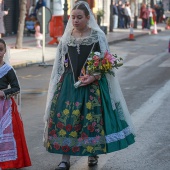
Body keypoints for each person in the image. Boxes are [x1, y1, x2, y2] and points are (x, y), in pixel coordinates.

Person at [43, 1, 135, 170]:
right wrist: (59, 82)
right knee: (67, 119)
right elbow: (60, 64)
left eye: (79, 17)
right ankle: (65, 159)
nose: (75, 20)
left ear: (88, 18)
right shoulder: (67, 37)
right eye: (73, 17)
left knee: (91, 120)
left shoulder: (97, 36)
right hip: (69, 84)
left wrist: (93, 77)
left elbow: (105, 62)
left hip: (91, 86)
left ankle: (92, 154)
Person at [0, 38, 31, 169]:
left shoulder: (8, 69)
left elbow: (16, 88)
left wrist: (4, 93)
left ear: (5, 51)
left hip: (4, 106)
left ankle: (8, 162)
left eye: (0, 50)